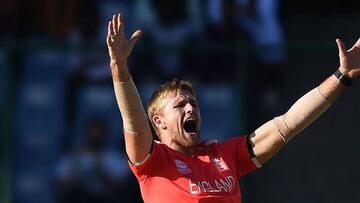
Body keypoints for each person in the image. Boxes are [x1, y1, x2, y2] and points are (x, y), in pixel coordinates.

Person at [106, 14, 360, 203]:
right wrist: (119, 68)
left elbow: (288, 124)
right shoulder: (152, 161)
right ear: (159, 122)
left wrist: (341, 76)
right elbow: (135, 122)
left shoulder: (224, 155)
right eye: (180, 105)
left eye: (193, 103)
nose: (190, 108)